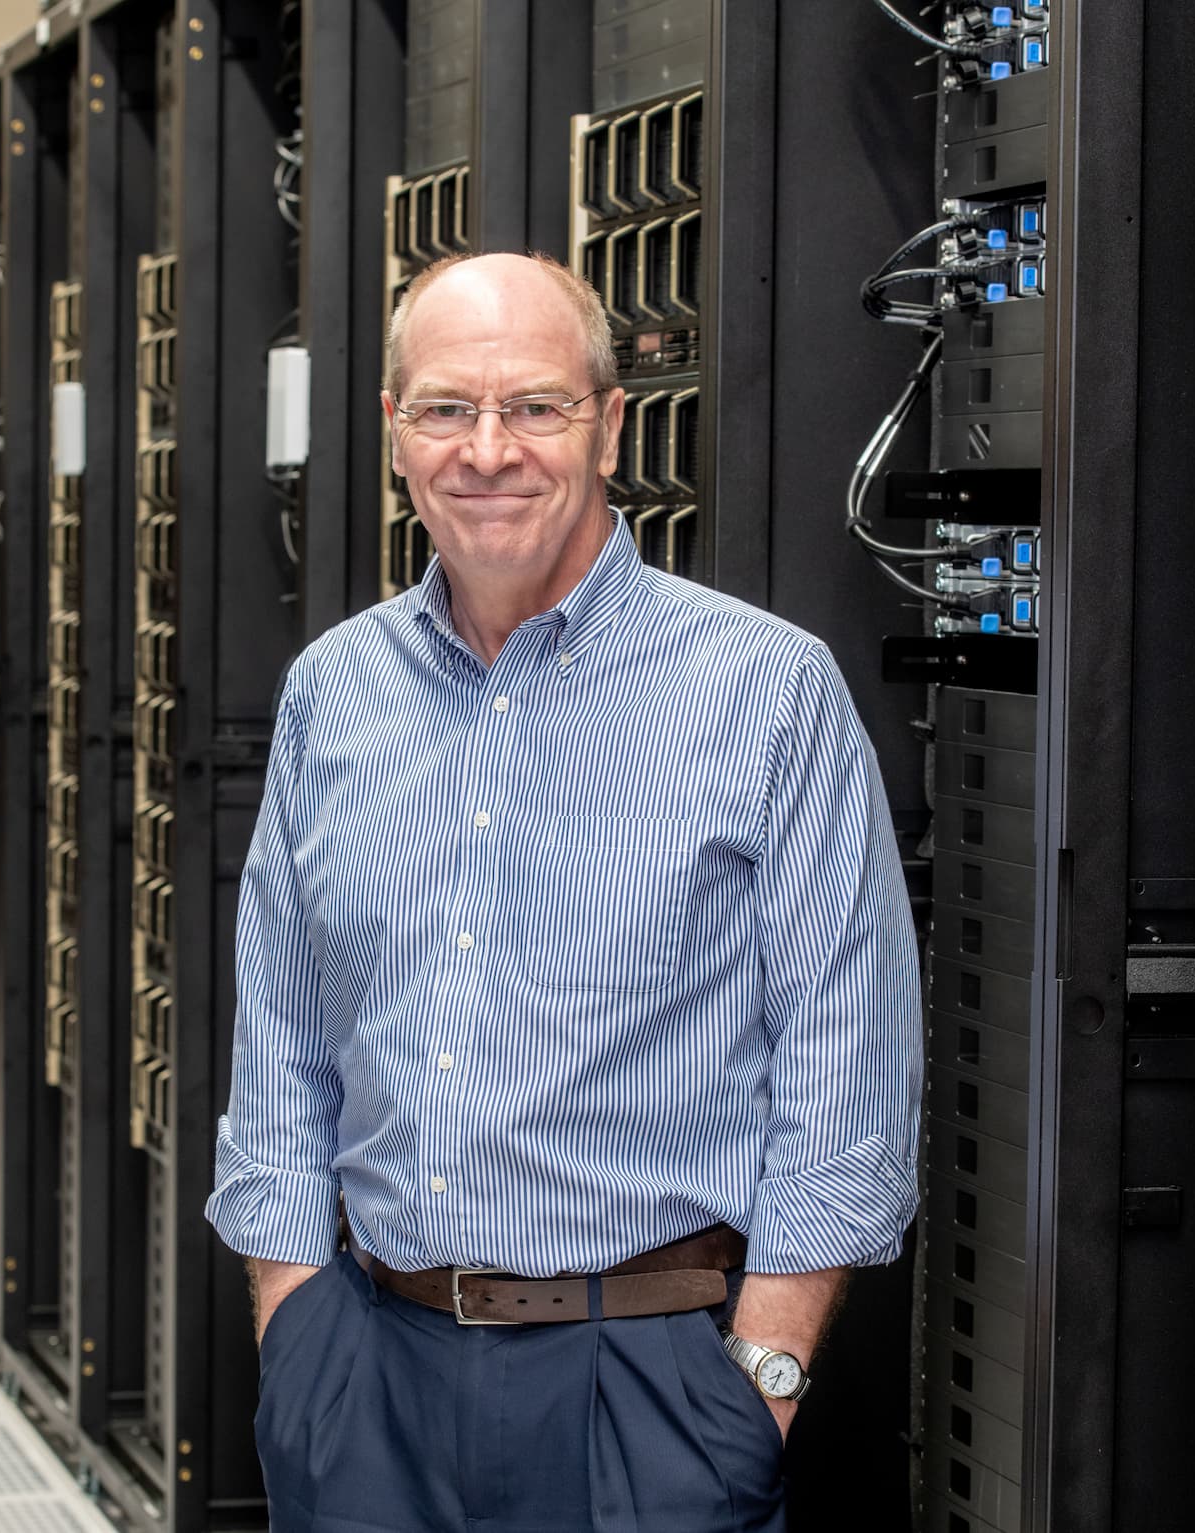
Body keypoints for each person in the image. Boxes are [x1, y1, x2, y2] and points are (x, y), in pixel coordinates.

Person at [205, 250, 922, 1532]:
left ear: (608, 425)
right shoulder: (333, 692)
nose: (488, 450)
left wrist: (752, 1386)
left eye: (534, 406)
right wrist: (294, 1333)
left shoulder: (764, 691)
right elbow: (280, 1040)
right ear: (394, 433)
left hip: (646, 1388)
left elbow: (846, 1078)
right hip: (367, 1373)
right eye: (444, 409)